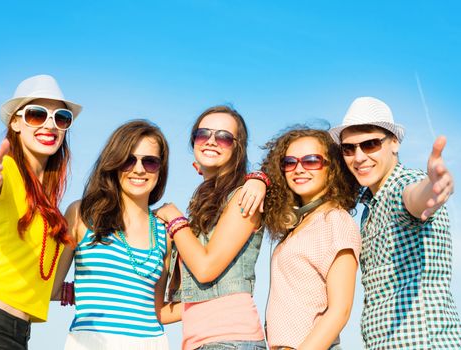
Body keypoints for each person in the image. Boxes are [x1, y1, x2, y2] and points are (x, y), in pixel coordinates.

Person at [0, 74, 82, 349]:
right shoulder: (6, 169)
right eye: (37, 114)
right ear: (15, 122)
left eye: (60, 118)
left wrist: (76, 291)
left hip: (14, 332)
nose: (50, 125)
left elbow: (35, 274)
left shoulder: (46, 202)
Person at [329, 96, 461, 348]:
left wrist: (433, 190)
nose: (358, 157)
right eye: (348, 148)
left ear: (394, 143)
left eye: (370, 144)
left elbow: (414, 197)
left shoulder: (401, 185)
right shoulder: (369, 203)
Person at [53, 120, 176, 349]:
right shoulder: (81, 214)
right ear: (114, 163)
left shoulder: (164, 232)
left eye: (150, 161)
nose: (139, 169)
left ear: (161, 169)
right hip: (91, 342)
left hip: (150, 343)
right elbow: (48, 284)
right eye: (129, 160)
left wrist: (219, 305)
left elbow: (156, 309)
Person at [156, 105, 267, 349]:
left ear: (238, 148)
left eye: (224, 137)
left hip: (230, 340)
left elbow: (205, 268)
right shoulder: (200, 214)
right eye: (203, 134)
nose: (212, 141)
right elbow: (167, 312)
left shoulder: (243, 197)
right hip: (203, 342)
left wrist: (174, 219)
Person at [261, 127, 360, 349]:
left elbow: (340, 310)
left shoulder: (335, 221)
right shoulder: (301, 224)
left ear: (332, 169)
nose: (299, 169)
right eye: (290, 162)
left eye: (311, 161)